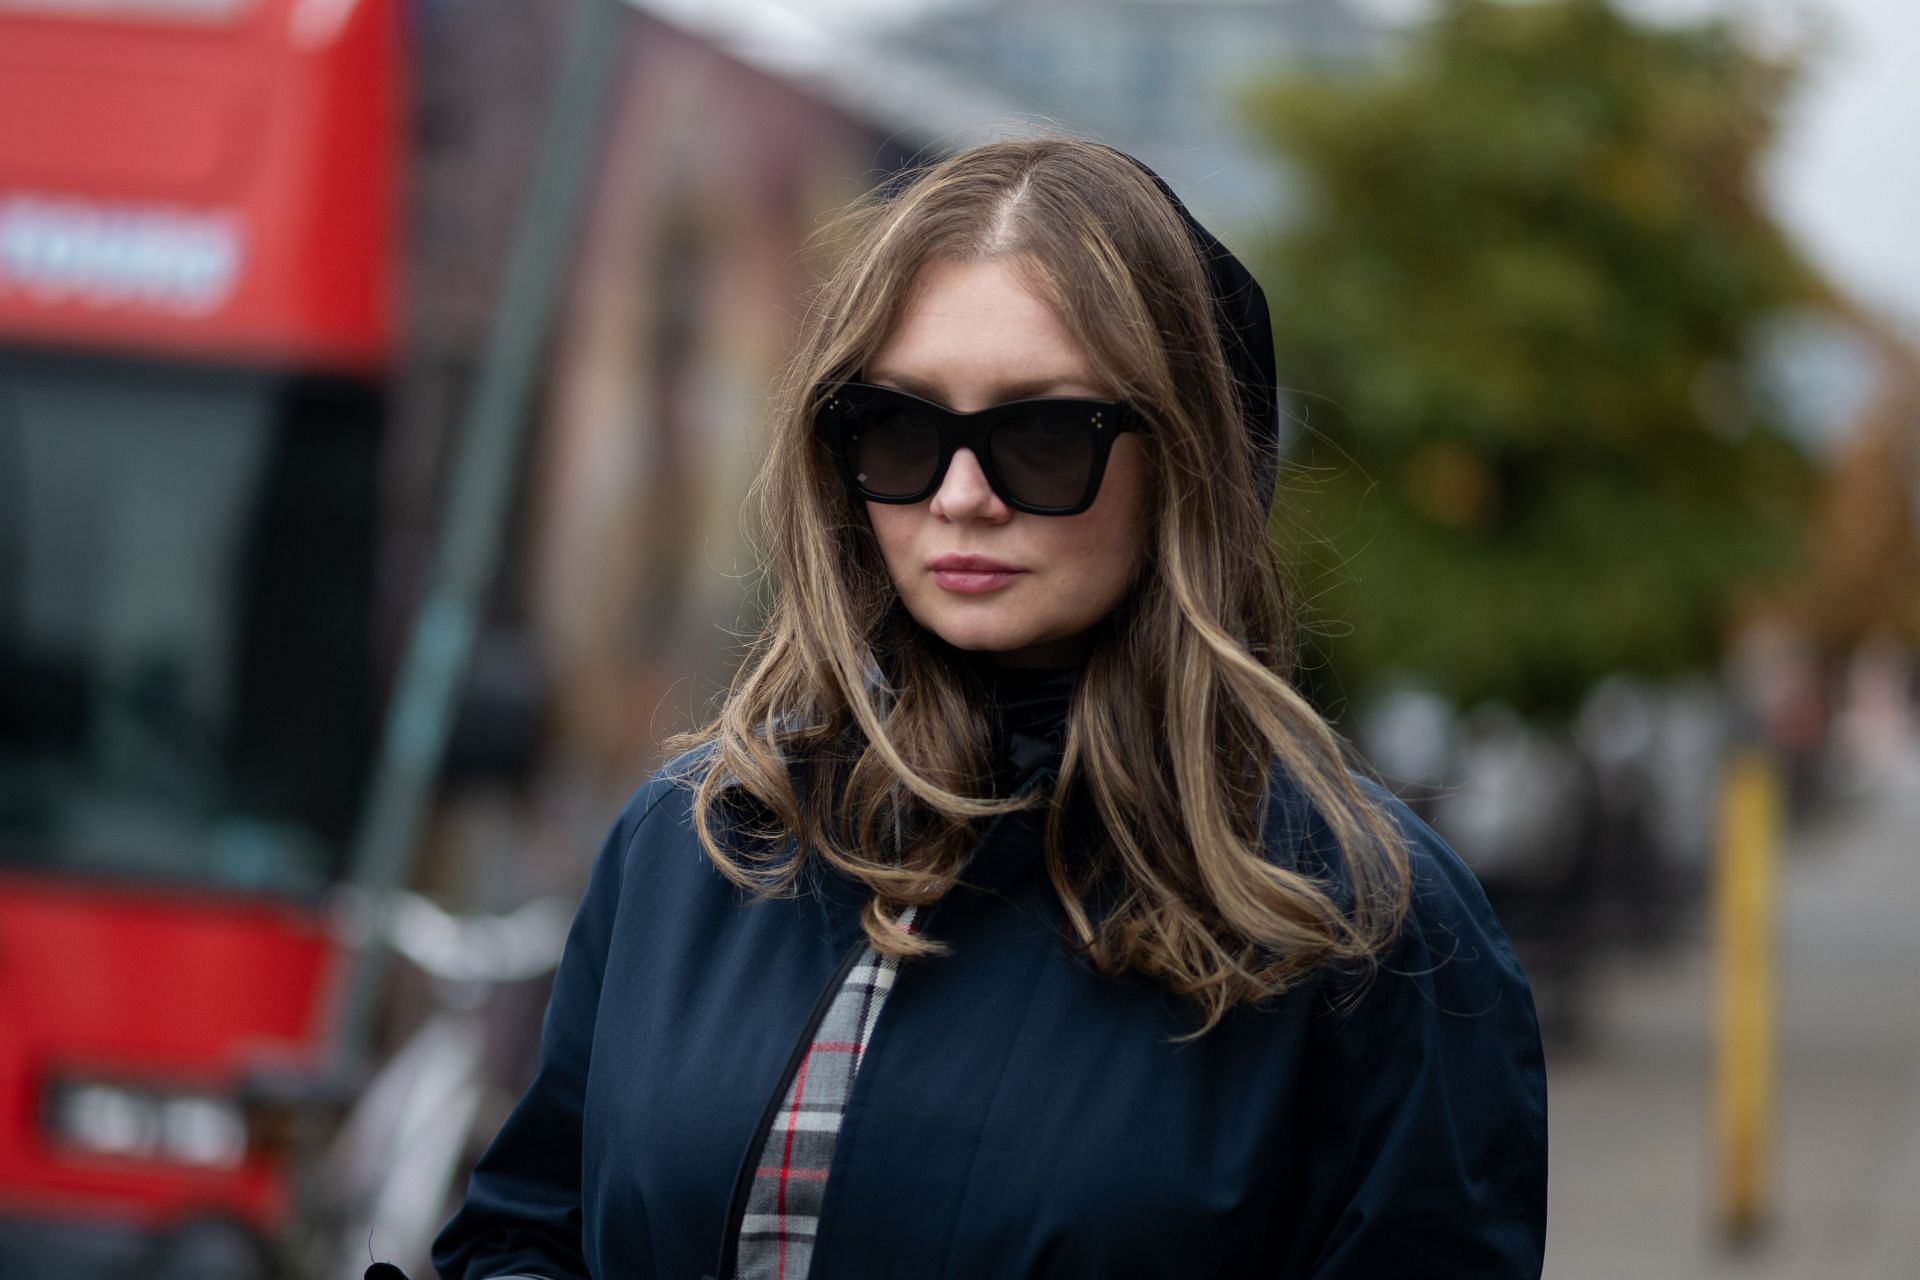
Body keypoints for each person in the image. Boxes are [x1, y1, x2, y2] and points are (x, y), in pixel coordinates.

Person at [429, 135, 1548, 1280]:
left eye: (1044, 436)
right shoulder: (698, 839)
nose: (963, 496)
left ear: (1184, 457)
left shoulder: (1366, 922)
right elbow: (527, 1230)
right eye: (905, 429)